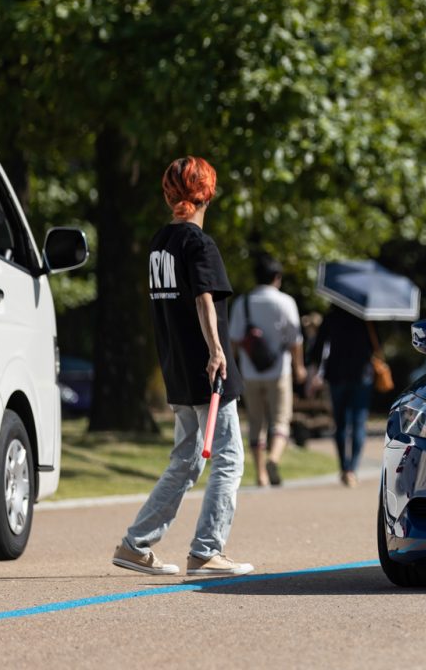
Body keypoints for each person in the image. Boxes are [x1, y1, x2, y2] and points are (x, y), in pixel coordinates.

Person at [111, 156, 253, 577]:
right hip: (207, 369)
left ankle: (136, 544)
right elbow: (203, 299)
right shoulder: (199, 243)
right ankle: (207, 550)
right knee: (228, 458)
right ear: (208, 193)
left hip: (176, 366)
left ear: (168, 195)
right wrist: (216, 351)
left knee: (187, 460)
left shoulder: (160, 243)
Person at [230, 252, 305, 487]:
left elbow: (233, 339)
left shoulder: (242, 302)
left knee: (256, 422)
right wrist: (299, 367)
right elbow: (295, 340)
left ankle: (261, 473)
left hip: (250, 371)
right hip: (279, 370)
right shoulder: (285, 302)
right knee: (281, 419)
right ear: (277, 277)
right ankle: (274, 458)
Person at [306, 306, 374, 486]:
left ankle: (344, 468)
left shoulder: (332, 317)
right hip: (361, 375)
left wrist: (313, 372)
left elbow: (318, 348)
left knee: (341, 423)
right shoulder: (365, 316)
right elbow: (376, 345)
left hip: (337, 375)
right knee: (358, 423)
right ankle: (353, 469)